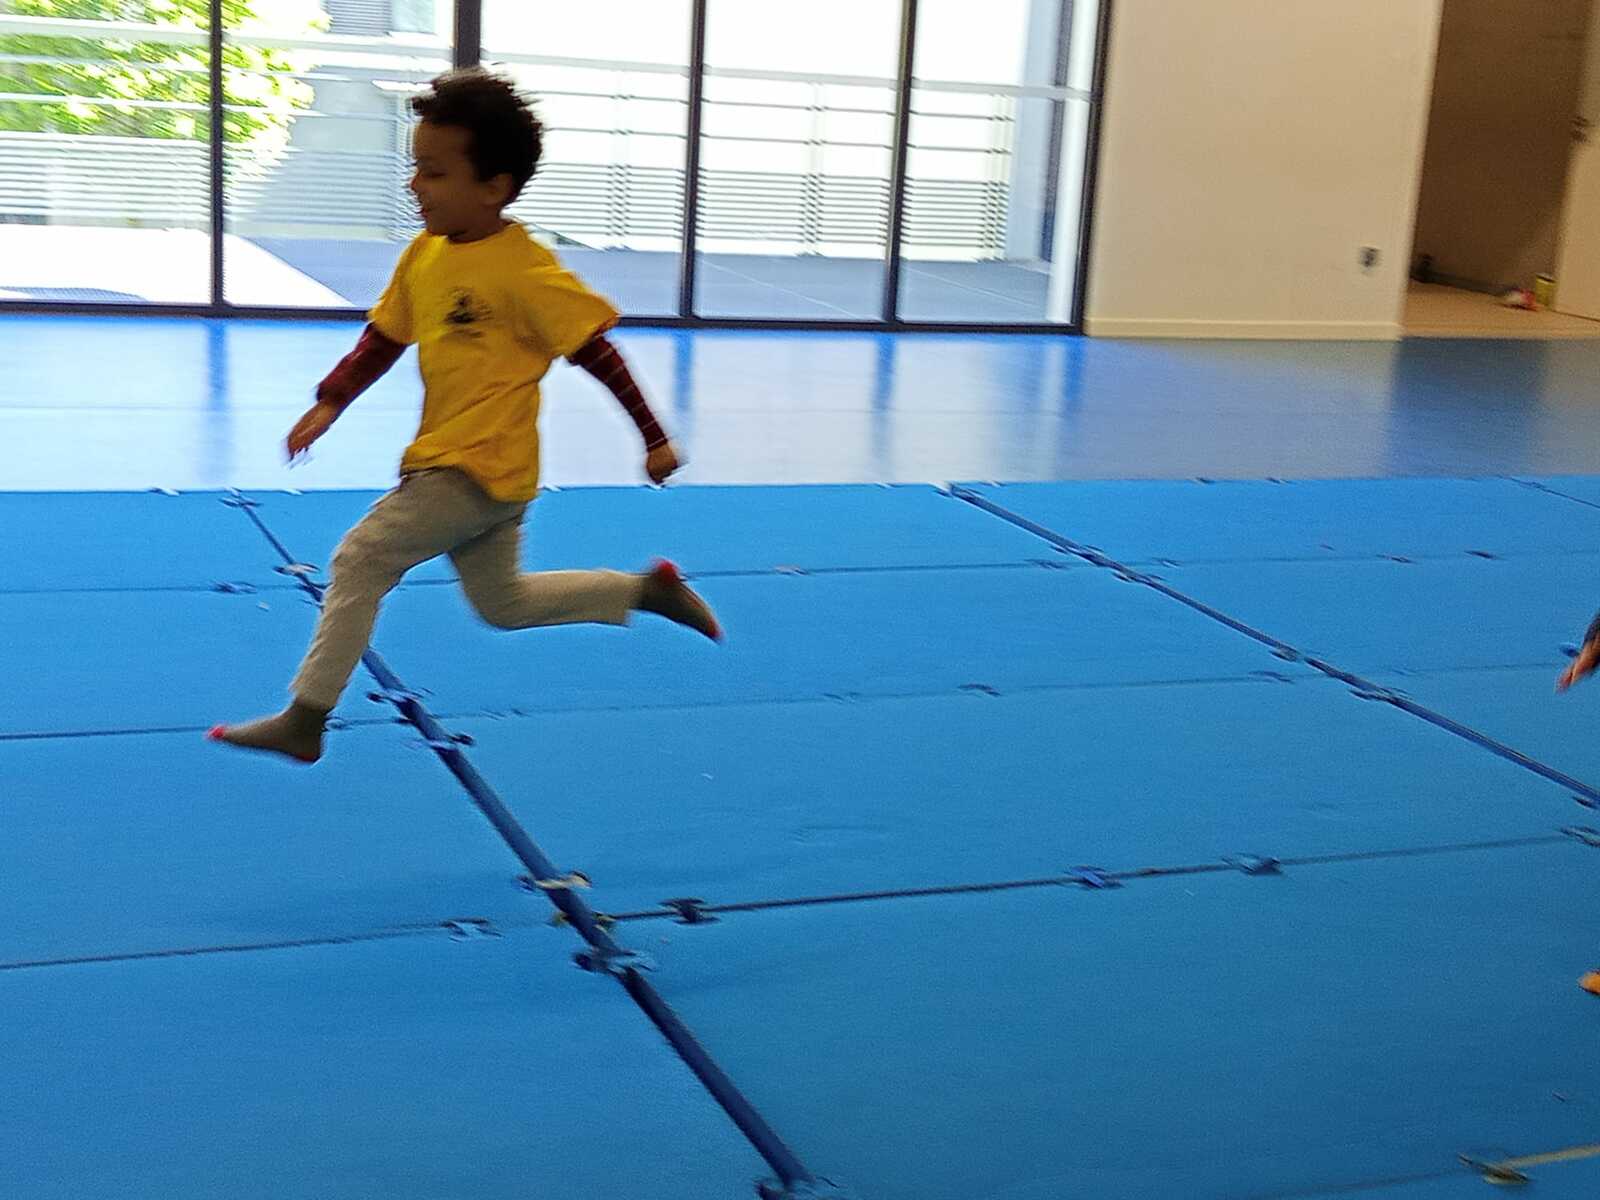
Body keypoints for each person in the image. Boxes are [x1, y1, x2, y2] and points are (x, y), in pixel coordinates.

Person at [212, 68, 720, 764]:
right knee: (502, 604)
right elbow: (384, 336)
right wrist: (330, 401)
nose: (414, 185)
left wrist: (654, 438)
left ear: (494, 187)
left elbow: (596, 351)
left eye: (434, 172)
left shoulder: (524, 270)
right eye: (415, 167)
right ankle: (643, 591)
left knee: (360, 558)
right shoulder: (424, 256)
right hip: (484, 475)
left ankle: (306, 717)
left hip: (474, 468)